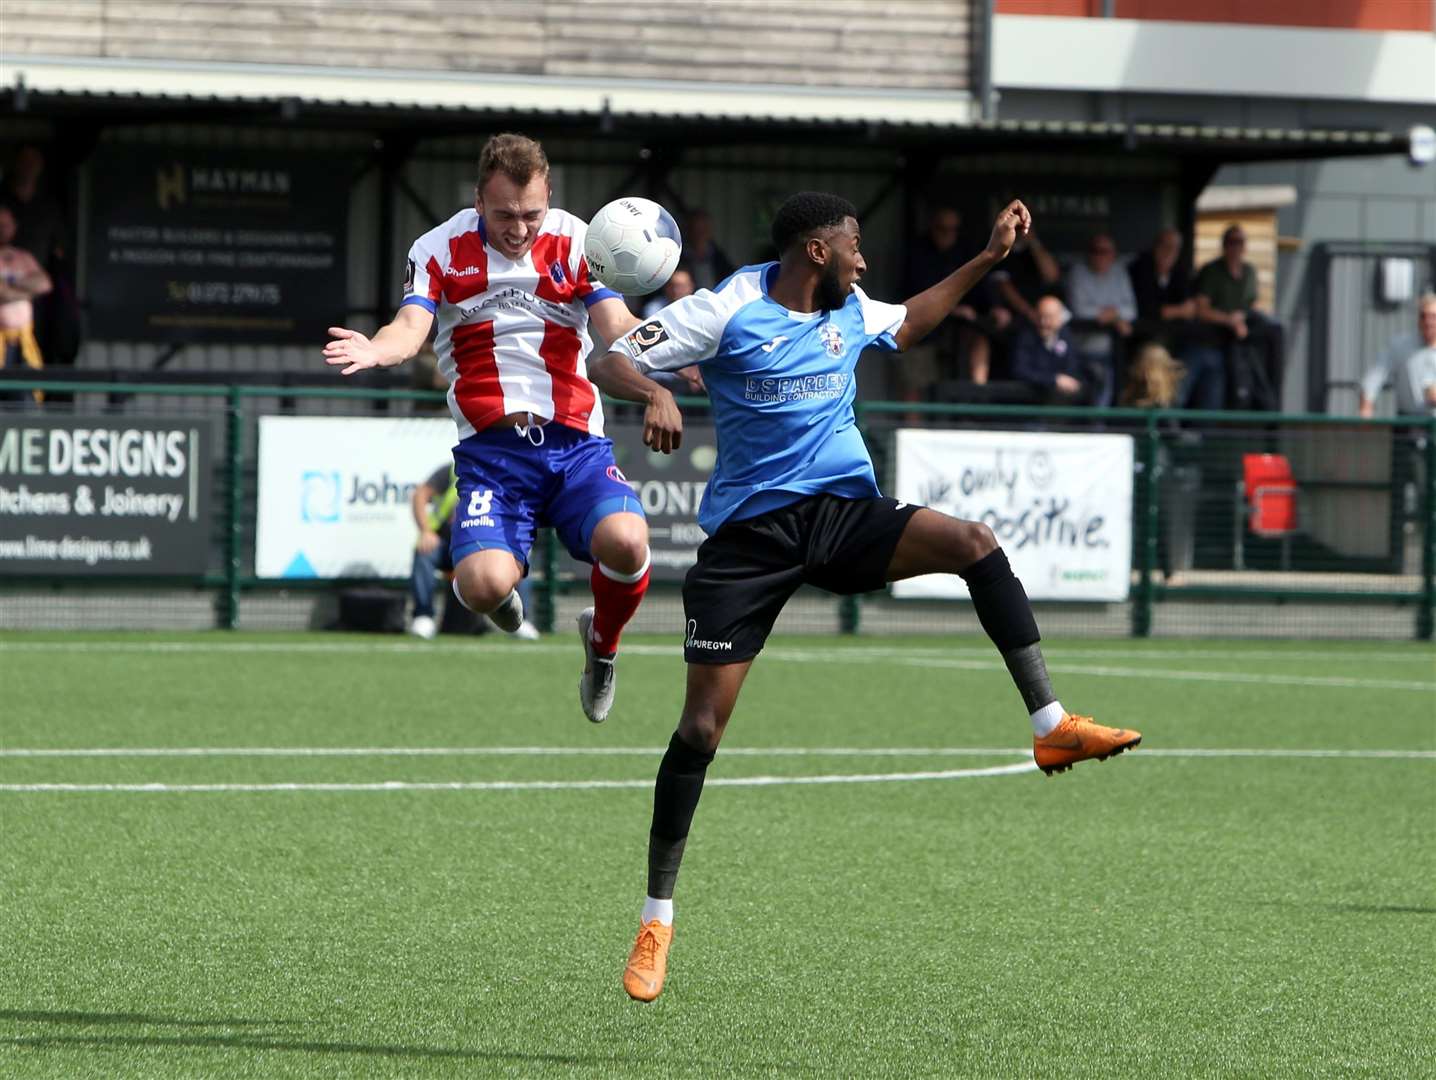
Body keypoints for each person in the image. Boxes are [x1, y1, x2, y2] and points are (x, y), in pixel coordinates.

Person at [588, 191, 1141, 1003]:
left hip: (844, 518)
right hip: (751, 539)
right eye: (854, 246)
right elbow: (608, 361)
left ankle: (1051, 727)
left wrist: (990, 257)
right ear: (818, 251)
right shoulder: (726, 309)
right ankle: (656, 919)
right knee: (701, 729)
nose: (864, 259)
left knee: (974, 543)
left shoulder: (850, 308)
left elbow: (911, 321)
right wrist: (657, 393)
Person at [324, 133, 651, 723]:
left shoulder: (579, 241)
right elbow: (408, 326)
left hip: (575, 444)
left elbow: (617, 324)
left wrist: (679, 349)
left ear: (549, 195)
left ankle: (602, 648)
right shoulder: (439, 249)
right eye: (504, 215)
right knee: (480, 586)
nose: (519, 229)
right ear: (478, 200)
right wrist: (377, 350)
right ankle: (499, 595)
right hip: (493, 456)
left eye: (532, 214)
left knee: (628, 541)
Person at [409, 462, 540, 641]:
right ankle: (423, 616)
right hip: (447, 546)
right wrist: (426, 531)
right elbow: (420, 494)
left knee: (519, 557)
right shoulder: (453, 469)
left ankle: (522, 620)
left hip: (487, 547)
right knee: (424, 552)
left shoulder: (507, 472)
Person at [893, 206, 1008, 407]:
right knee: (914, 381)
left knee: (980, 338)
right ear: (932, 227)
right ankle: (912, 431)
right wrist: (953, 310)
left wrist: (994, 308)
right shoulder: (917, 253)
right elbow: (914, 295)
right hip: (921, 332)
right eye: (942, 229)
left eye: (953, 229)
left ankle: (977, 404)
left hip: (959, 331)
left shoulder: (964, 251)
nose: (948, 234)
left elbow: (980, 285)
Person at [1194, 224, 1282, 410]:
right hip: (1214, 342)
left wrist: (1242, 319)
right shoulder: (1212, 271)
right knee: (1219, 394)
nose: (1236, 247)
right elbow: (1201, 310)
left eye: (1240, 242)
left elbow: (1251, 306)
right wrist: (1229, 320)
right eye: (1232, 242)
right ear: (1224, 245)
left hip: (1243, 344)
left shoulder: (1249, 271)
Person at [1010, 295, 1106, 405]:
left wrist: (1068, 381)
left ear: (1059, 318)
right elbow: (1020, 370)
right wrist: (1054, 380)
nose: (1043, 322)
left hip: (1062, 396)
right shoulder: (1026, 336)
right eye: (1040, 316)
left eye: (1049, 317)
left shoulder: (1065, 334)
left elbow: (1072, 366)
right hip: (1034, 396)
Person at [0, 204, 52, 406]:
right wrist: (24, 292)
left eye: (6, 224)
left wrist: (10, 285)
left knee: (25, 398)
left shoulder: (23, 257)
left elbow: (44, 284)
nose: (2, 228)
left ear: (14, 226)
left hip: (22, 342)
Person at [1358, 293, 1436, 418]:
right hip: (1408, 425)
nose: (1428, 322)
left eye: (1433, 317)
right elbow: (1375, 377)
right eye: (1423, 316)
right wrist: (1366, 406)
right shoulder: (1400, 346)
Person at [988, 227, 1061, 327]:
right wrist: (1031, 314)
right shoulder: (1001, 250)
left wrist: (1034, 243)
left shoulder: (1036, 250)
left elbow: (1052, 276)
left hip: (1042, 309)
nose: (1023, 229)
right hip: (1014, 313)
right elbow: (1005, 288)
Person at [683, 209, 735, 291]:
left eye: (704, 229)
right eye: (696, 229)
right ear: (688, 230)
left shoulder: (719, 257)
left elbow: (731, 281)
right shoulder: (679, 257)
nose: (700, 234)